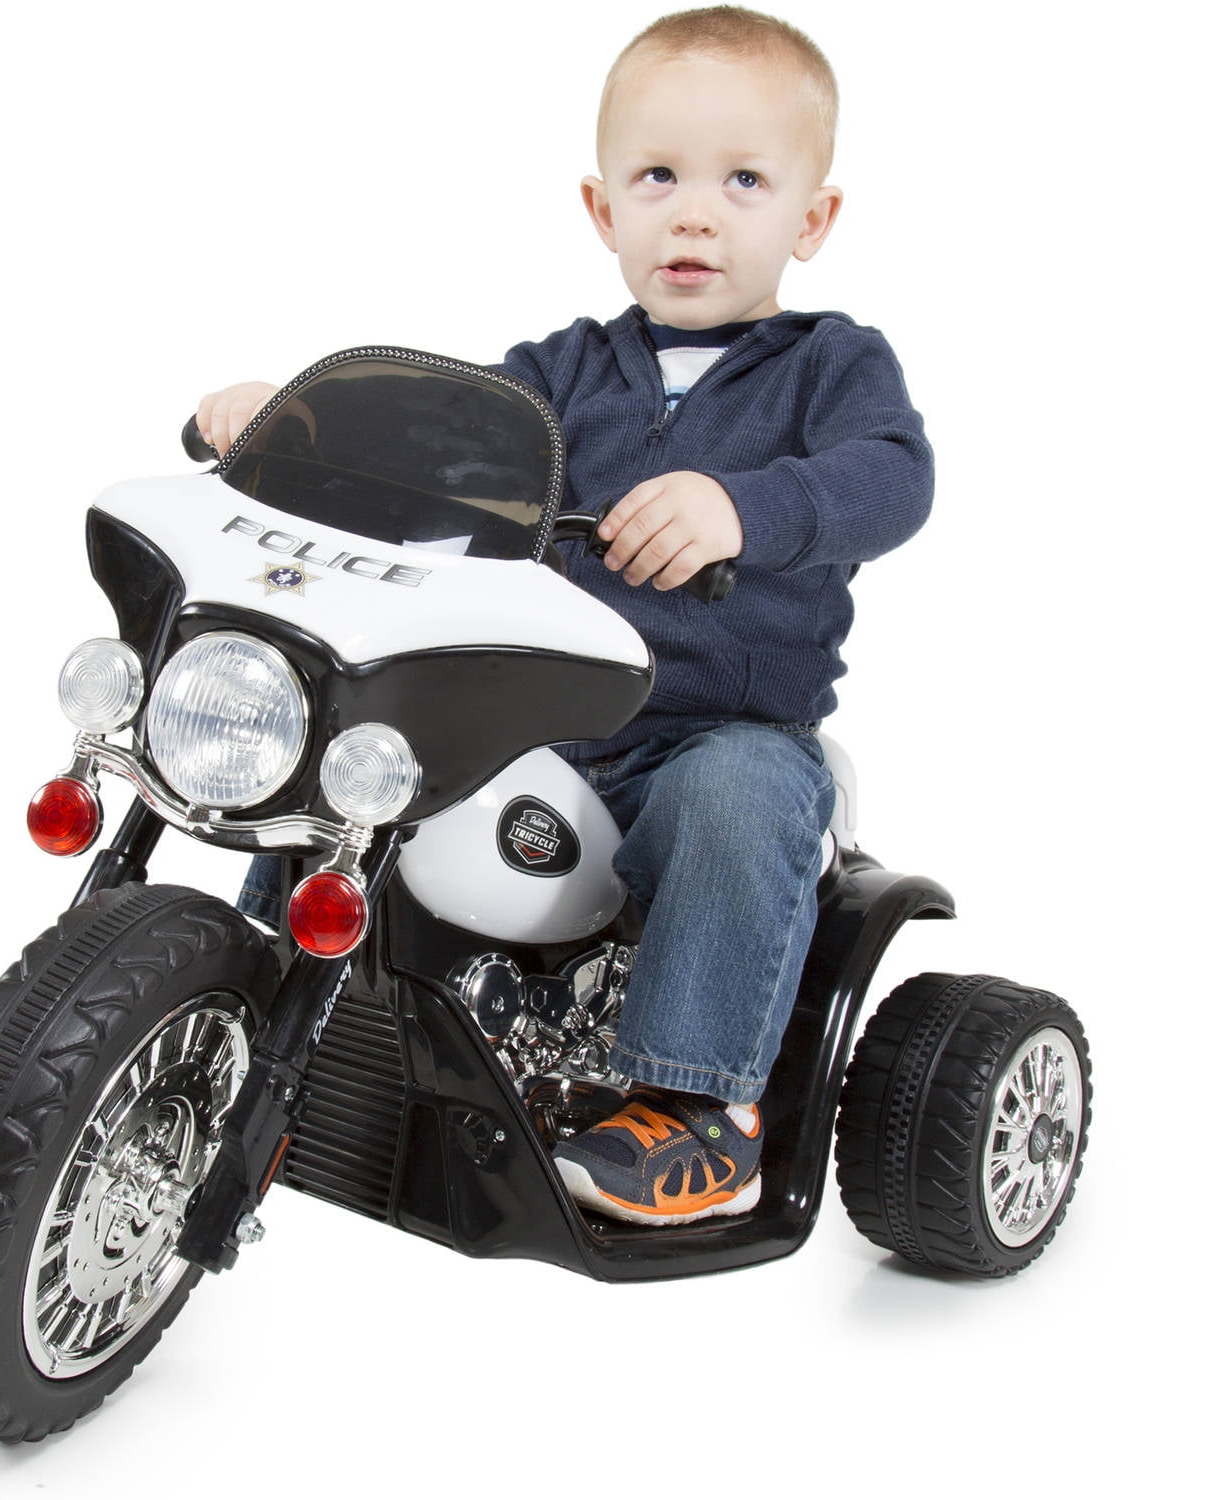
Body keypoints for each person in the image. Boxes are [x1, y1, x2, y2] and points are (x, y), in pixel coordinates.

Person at [195, 6, 932, 1226]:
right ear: (603, 208)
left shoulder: (832, 367)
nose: (695, 215)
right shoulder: (558, 372)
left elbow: (893, 478)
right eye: (659, 177)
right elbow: (441, 447)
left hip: (711, 730)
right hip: (535, 713)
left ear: (813, 219)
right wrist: (300, 426)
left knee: (739, 797)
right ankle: (256, 1012)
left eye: (745, 181)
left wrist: (744, 509)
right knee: (355, 754)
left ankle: (699, 1107)